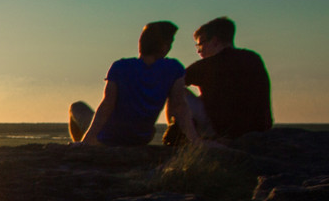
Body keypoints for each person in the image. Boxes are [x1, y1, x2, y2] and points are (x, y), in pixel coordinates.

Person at [69, 21, 186, 146]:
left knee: (76, 107)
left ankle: (82, 145)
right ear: (164, 46)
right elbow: (179, 106)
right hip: (141, 137)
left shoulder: (121, 67)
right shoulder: (174, 68)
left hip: (109, 137)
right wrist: (195, 140)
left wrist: (88, 138)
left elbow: (107, 104)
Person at [168, 16, 272, 145]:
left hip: (223, 133)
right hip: (259, 130)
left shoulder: (207, 66)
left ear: (215, 41)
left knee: (177, 89)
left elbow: (171, 83)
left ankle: (188, 138)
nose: (199, 51)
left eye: (201, 44)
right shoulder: (253, 58)